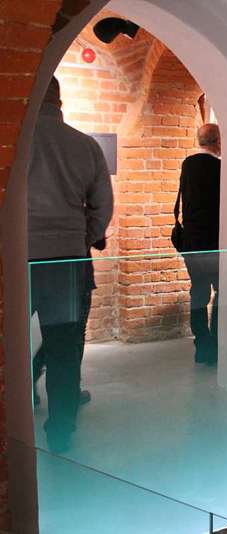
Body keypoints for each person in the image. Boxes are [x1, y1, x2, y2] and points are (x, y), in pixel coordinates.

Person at [28, 77, 113, 453]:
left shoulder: (15, 140)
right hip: (67, 258)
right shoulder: (84, 145)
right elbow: (102, 206)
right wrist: (81, 239)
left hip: (15, 258)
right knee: (65, 347)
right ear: (59, 100)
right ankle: (61, 429)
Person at [177, 124, 221, 366]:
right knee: (222, 291)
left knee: (199, 291)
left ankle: (202, 345)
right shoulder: (220, 168)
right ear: (217, 141)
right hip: (215, 242)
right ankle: (217, 342)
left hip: (192, 242)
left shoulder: (188, 164)